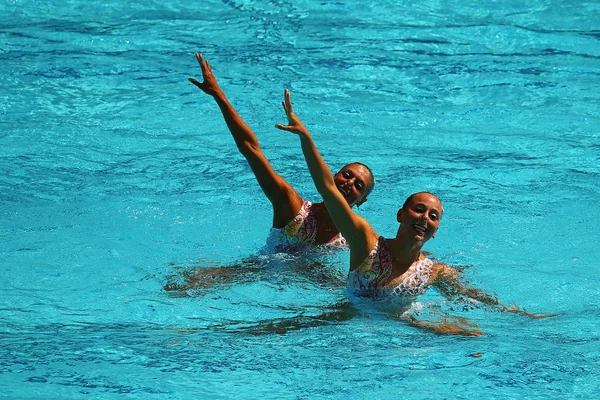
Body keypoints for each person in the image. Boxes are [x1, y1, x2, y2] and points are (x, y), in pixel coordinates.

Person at [275, 89, 555, 336]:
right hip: (340, 324)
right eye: (419, 210)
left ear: (435, 232)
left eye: (433, 216)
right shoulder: (366, 244)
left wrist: (519, 317)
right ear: (400, 214)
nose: (425, 218)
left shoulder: (433, 272)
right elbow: (328, 189)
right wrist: (306, 138)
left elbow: (476, 300)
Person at [188, 54, 375, 253]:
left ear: (361, 201)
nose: (349, 183)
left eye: (358, 185)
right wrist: (218, 95)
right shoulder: (293, 207)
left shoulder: (350, 240)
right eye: (346, 175)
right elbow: (251, 150)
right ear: (333, 175)